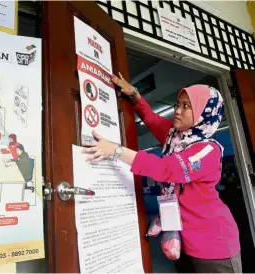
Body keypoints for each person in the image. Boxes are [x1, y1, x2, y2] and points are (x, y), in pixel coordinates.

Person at [82, 74, 241, 273]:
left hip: (214, 244)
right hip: (184, 240)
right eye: (178, 104)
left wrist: (115, 150)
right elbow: (151, 118)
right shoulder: (175, 137)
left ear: (204, 113)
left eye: (187, 106)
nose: (177, 110)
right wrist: (135, 95)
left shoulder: (208, 150)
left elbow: (166, 170)